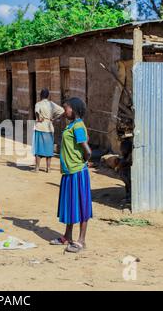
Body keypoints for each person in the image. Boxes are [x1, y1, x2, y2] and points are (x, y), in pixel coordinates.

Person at [50, 97, 92, 254]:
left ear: (73, 109)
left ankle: (81, 241)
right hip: (69, 172)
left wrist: (82, 163)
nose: (64, 110)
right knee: (70, 205)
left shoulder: (78, 126)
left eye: (66, 108)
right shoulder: (72, 125)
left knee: (81, 206)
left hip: (77, 173)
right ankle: (67, 236)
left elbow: (87, 151)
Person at [33, 88, 65, 173]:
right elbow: (62, 111)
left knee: (38, 148)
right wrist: (54, 118)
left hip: (40, 127)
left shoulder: (38, 104)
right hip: (49, 128)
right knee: (49, 148)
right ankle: (48, 168)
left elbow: (36, 111)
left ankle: (37, 168)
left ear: (40, 95)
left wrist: (39, 117)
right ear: (48, 96)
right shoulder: (51, 104)